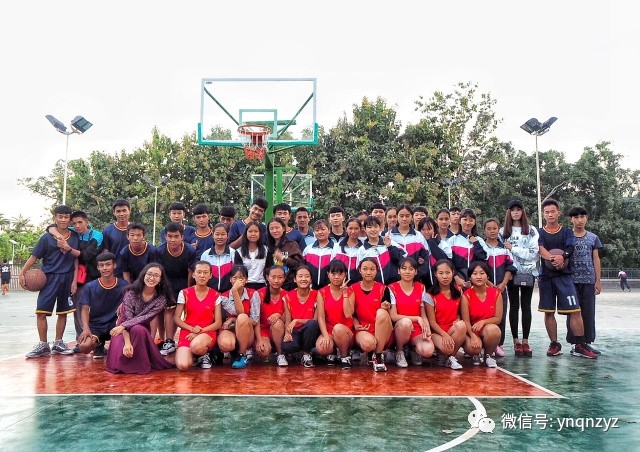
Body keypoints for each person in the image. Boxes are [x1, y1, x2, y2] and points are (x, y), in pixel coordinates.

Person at [537, 199, 597, 359]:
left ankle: (579, 344)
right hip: (546, 277)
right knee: (549, 312)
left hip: (565, 276)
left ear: (558, 213)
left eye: (553, 211)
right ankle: (554, 344)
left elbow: (570, 247)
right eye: (547, 212)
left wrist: (562, 256)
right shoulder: (539, 232)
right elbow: (540, 248)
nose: (550, 214)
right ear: (543, 214)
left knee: (575, 310)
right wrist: (552, 258)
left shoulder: (566, 232)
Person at [20, 205, 80, 358]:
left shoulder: (74, 237)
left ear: (70, 219)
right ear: (55, 218)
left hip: (67, 277)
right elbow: (34, 256)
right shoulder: (46, 238)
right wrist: (22, 272)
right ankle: (43, 344)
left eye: (66, 217)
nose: (63, 219)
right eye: (60, 216)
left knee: (63, 312)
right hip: (49, 278)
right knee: (41, 311)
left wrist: (74, 280)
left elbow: (76, 260)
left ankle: (58, 343)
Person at [106, 263, 174, 374]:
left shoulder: (161, 298)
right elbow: (126, 319)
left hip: (140, 330)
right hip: (123, 331)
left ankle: (139, 365)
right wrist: (127, 342)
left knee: (138, 329)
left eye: (156, 275)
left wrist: (123, 326)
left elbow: (144, 318)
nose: (152, 278)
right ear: (143, 275)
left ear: (161, 279)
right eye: (149, 274)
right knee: (120, 358)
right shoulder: (131, 293)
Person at [500, 199, 539, 357]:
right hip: (511, 274)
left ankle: (525, 340)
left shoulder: (531, 230)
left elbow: (533, 253)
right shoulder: (503, 232)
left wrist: (514, 248)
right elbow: (503, 254)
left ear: (523, 211)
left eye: (518, 209)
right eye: (513, 210)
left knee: (526, 306)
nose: (515, 212)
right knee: (514, 307)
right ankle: (516, 341)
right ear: (509, 212)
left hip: (528, 272)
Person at [154, 222, 197, 356]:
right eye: (170, 236)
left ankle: (171, 339)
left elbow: (190, 272)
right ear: (165, 236)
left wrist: (188, 291)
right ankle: (166, 340)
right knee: (167, 309)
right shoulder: (159, 251)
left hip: (183, 281)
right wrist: (161, 288)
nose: (173, 239)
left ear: (182, 237)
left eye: (176, 236)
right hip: (166, 282)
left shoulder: (190, 250)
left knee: (177, 310)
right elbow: (158, 271)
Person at [566, 206, 603, 355]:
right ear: (571, 219)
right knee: (573, 312)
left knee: (588, 312)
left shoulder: (593, 237)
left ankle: (586, 343)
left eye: (582, 217)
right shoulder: (567, 236)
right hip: (571, 281)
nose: (579, 220)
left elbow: (596, 259)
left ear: (586, 218)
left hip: (588, 281)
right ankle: (575, 343)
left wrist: (598, 280)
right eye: (576, 217)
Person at [173, 261, 222, 371]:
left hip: (207, 332)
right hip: (188, 332)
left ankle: (203, 353)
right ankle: (196, 357)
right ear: (193, 274)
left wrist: (199, 332)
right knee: (183, 365)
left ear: (210, 275)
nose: (202, 275)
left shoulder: (215, 295)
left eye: (205, 272)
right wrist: (191, 329)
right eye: (199, 272)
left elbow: (218, 323)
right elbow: (176, 318)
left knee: (197, 346)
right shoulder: (184, 293)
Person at [77, 252, 127, 358]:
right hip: (96, 325)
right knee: (84, 346)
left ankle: (115, 345)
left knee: (122, 348)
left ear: (114, 265)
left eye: (108, 264)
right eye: (101, 265)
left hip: (115, 323)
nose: (105, 268)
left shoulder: (124, 285)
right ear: (98, 267)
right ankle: (99, 344)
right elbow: (84, 309)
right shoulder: (90, 287)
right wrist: (86, 329)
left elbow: (130, 305)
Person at [388, 258, 435, 367]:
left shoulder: (421, 287)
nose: (407, 272)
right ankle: (399, 351)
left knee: (427, 350)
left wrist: (427, 330)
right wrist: (416, 318)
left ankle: (412, 350)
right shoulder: (392, 288)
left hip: (416, 328)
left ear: (416, 271)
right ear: (398, 271)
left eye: (411, 269)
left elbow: (423, 314)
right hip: (400, 327)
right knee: (406, 322)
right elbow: (393, 316)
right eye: (404, 268)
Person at [350, 257, 393, 372]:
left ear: (377, 270)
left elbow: (390, 316)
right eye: (365, 269)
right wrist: (356, 324)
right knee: (368, 344)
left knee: (381, 312)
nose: (368, 272)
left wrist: (385, 308)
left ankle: (378, 355)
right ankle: (371, 352)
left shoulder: (384, 289)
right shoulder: (352, 288)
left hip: (382, 330)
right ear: (359, 270)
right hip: (363, 329)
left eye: (372, 269)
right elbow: (350, 313)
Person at [483, 218, 517, 358]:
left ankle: (498, 344)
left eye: (494, 228)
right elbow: (479, 268)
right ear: (484, 231)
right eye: (489, 228)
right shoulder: (482, 248)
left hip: (501, 289)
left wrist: (503, 284)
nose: (492, 231)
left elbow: (510, 267)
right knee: (486, 315)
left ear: (498, 229)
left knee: (500, 316)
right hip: (484, 289)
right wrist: (488, 284)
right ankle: (485, 344)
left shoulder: (504, 249)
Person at [217, 265, 261, 369]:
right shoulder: (224, 297)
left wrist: (233, 319)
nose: (237, 281)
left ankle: (242, 355)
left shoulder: (253, 294)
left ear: (246, 280)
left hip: (247, 332)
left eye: (241, 278)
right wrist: (234, 291)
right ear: (230, 280)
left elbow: (254, 320)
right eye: (234, 278)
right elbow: (237, 311)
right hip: (230, 330)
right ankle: (233, 353)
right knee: (226, 344)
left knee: (242, 318)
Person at [424, 259, 466, 370]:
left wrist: (457, 319)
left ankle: (450, 358)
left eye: (448, 273)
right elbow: (432, 322)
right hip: (437, 332)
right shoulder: (429, 295)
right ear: (435, 274)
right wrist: (444, 335)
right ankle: (443, 354)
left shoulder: (458, 291)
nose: (445, 276)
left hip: (452, 328)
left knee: (461, 325)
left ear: (453, 273)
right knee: (447, 348)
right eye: (441, 273)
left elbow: (460, 313)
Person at [460, 261, 503, 368]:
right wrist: (473, 336)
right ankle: (475, 354)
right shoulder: (466, 295)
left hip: (486, 329)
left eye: (482, 273)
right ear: (470, 277)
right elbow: (466, 321)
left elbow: (498, 318)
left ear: (487, 276)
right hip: (471, 329)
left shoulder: (496, 293)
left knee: (494, 330)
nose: (478, 277)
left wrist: (483, 322)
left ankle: (488, 356)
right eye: (475, 274)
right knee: (473, 348)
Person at [316, 260, 355, 369]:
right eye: (333, 273)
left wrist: (345, 293)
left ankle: (344, 356)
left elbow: (348, 314)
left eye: (340, 273)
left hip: (345, 331)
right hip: (329, 331)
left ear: (345, 275)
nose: (336, 277)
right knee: (322, 348)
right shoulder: (322, 292)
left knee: (338, 329)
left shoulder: (350, 291)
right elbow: (320, 317)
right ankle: (332, 352)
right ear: (328, 274)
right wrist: (325, 335)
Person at [282, 266, 321, 368]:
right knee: (287, 347)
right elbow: (288, 320)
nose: (303, 279)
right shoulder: (288, 297)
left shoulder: (317, 295)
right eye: (300, 276)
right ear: (295, 279)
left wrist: (297, 320)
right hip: (296, 331)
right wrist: (287, 333)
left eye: (307, 276)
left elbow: (315, 320)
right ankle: (298, 352)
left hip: (311, 330)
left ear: (311, 279)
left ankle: (306, 354)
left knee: (312, 324)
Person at [356, 216, 406, 285]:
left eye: (375, 227)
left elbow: (402, 260)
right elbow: (360, 272)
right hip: (374, 287)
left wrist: (390, 247)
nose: (373, 230)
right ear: (365, 229)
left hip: (393, 285)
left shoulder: (390, 242)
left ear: (380, 228)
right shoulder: (362, 250)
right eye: (369, 227)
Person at [448, 208, 488, 289]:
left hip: (475, 279)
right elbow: (448, 261)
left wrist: (476, 243)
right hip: (457, 279)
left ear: (474, 222)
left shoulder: (479, 240)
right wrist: (456, 277)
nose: (468, 222)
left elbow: (484, 257)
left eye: (471, 220)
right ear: (460, 221)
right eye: (465, 219)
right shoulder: (452, 240)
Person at [256, 266, 288, 366]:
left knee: (277, 322)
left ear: (284, 278)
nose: (276, 280)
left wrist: (279, 315)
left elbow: (288, 318)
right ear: (267, 277)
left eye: (280, 277)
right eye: (273, 277)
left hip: (279, 331)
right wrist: (259, 340)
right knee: (264, 351)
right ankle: (252, 348)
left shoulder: (287, 295)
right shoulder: (259, 294)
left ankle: (280, 354)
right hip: (263, 331)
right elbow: (255, 319)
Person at [266, 217, 304, 291]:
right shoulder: (269, 247)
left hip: (290, 285)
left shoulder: (292, 245)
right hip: (273, 286)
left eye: (277, 228)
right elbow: (266, 268)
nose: (274, 231)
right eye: (271, 228)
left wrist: (283, 258)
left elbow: (299, 265)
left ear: (283, 228)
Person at [416, 217, 452, 290]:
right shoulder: (417, 245)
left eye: (429, 229)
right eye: (423, 229)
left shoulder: (443, 244)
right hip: (423, 284)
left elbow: (445, 261)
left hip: (441, 283)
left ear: (434, 229)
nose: (426, 232)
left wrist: (432, 243)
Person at [201, 223, 237, 292]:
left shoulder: (234, 253)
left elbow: (237, 275)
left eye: (223, 234)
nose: (220, 237)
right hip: (210, 293)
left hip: (229, 293)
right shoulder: (205, 255)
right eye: (217, 234)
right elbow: (202, 275)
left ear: (228, 235)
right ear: (213, 235)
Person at [233, 221, 268, 290]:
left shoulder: (266, 250)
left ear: (260, 233)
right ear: (245, 233)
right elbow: (238, 272)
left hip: (262, 286)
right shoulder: (239, 252)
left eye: (256, 231)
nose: (253, 234)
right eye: (250, 231)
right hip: (245, 286)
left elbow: (269, 269)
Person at [303, 219, 334, 289]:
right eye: (317, 230)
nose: (320, 232)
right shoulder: (308, 250)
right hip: (311, 288)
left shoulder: (336, 249)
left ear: (329, 230)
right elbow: (304, 268)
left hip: (330, 288)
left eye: (323, 229)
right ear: (314, 232)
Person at [332, 218, 363, 285]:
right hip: (339, 284)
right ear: (346, 229)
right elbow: (332, 267)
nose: (353, 231)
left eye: (356, 228)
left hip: (357, 285)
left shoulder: (363, 249)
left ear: (360, 230)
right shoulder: (337, 246)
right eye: (350, 228)